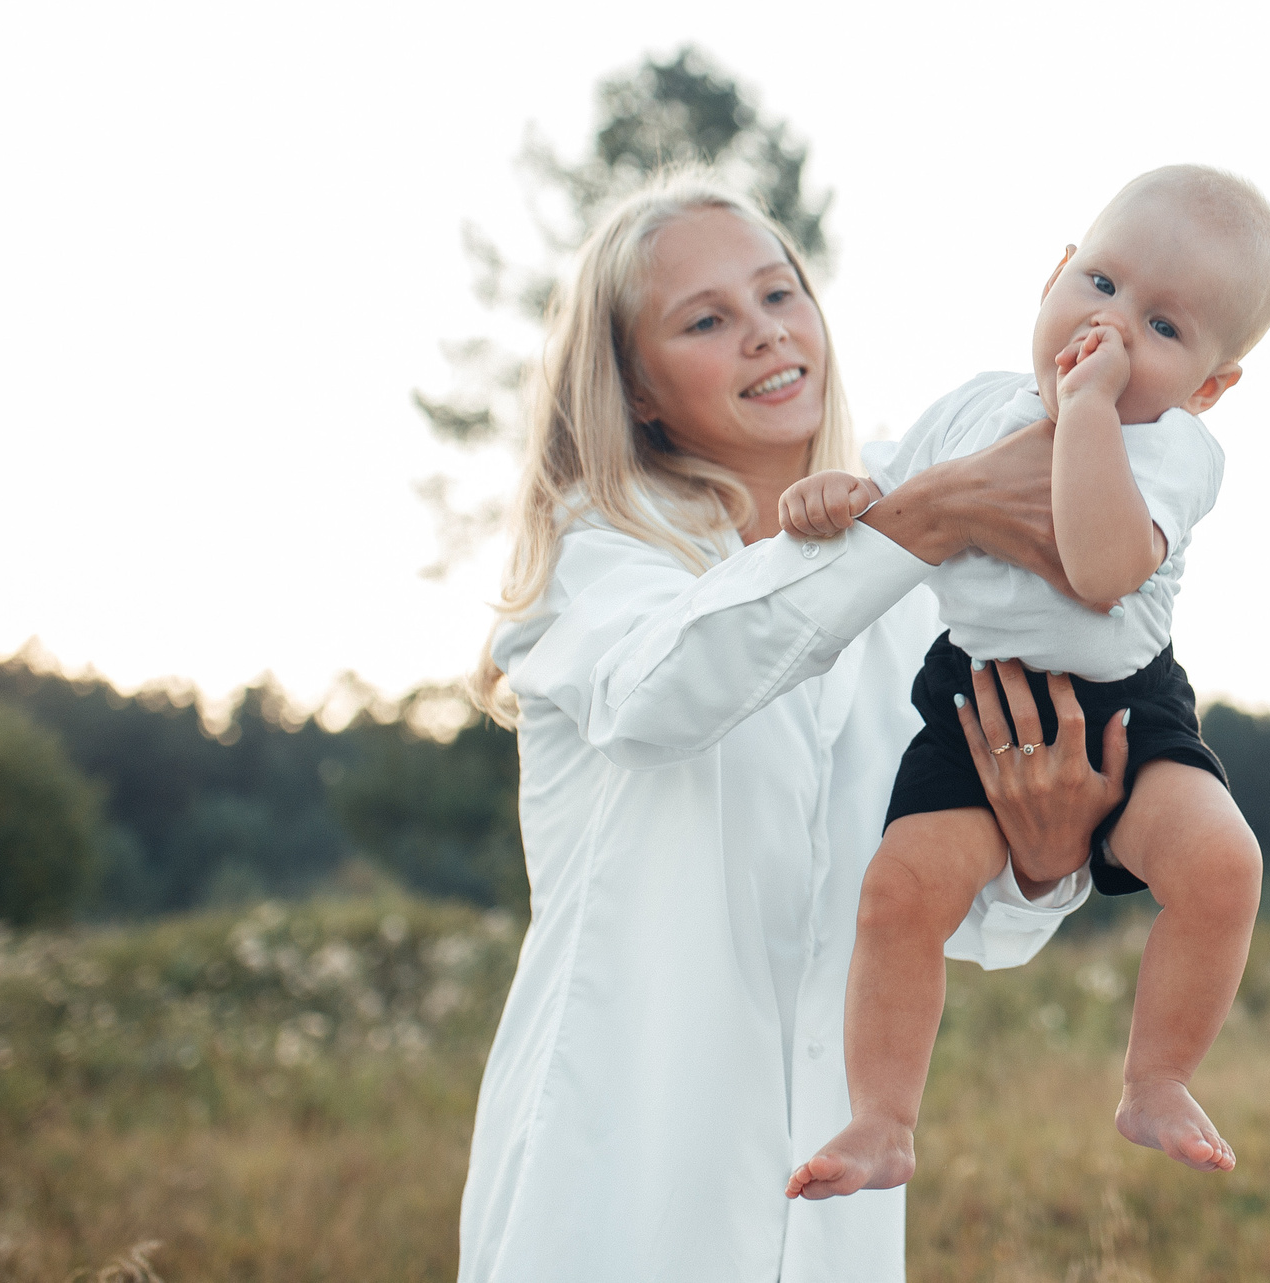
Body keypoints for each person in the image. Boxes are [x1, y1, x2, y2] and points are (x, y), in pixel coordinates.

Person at [455, 171, 1129, 1283]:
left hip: (827, 1204)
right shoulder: (601, 560)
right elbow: (665, 695)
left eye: (780, 295)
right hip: (616, 1180)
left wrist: (1044, 863)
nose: (767, 336)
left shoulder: (914, 601)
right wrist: (928, 517)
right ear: (636, 390)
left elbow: (957, 927)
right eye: (707, 320)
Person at [780, 166, 1270, 1201]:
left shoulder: (1173, 450)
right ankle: (883, 1118)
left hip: (1129, 710)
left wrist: (1090, 414)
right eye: (1099, 283)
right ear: (1054, 272)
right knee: (899, 891)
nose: (1109, 327)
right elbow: (902, 510)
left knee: (1223, 867)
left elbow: (1102, 570)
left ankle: (1155, 1079)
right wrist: (843, 495)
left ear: (1209, 384)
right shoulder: (972, 405)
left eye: (1161, 325)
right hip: (972, 695)